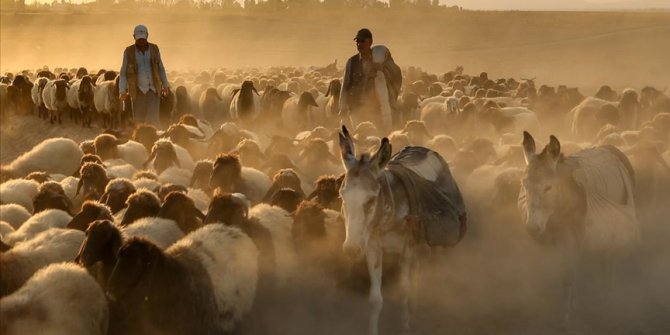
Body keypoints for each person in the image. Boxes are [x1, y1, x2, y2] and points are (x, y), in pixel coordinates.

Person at [339, 28, 401, 132]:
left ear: (370, 42)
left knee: (377, 136)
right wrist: (342, 107)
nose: (359, 44)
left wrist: (382, 69)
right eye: (357, 41)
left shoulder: (382, 60)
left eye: (362, 41)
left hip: (377, 110)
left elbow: (396, 74)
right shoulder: (351, 62)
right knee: (359, 135)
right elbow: (345, 86)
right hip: (356, 109)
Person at [119, 24, 170, 128]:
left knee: (154, 120)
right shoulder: (128, 52)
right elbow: (123, 72)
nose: (141, 41)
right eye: (139, 39)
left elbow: (160, 68)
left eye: (143, 39)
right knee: (139, 121)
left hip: (154, 90)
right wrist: (122, 90)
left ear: (147, 36)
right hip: (137, 91)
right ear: (134, 37)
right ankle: (139, 142)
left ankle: (155, 141)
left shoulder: (155, 49)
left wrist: (165, 85)